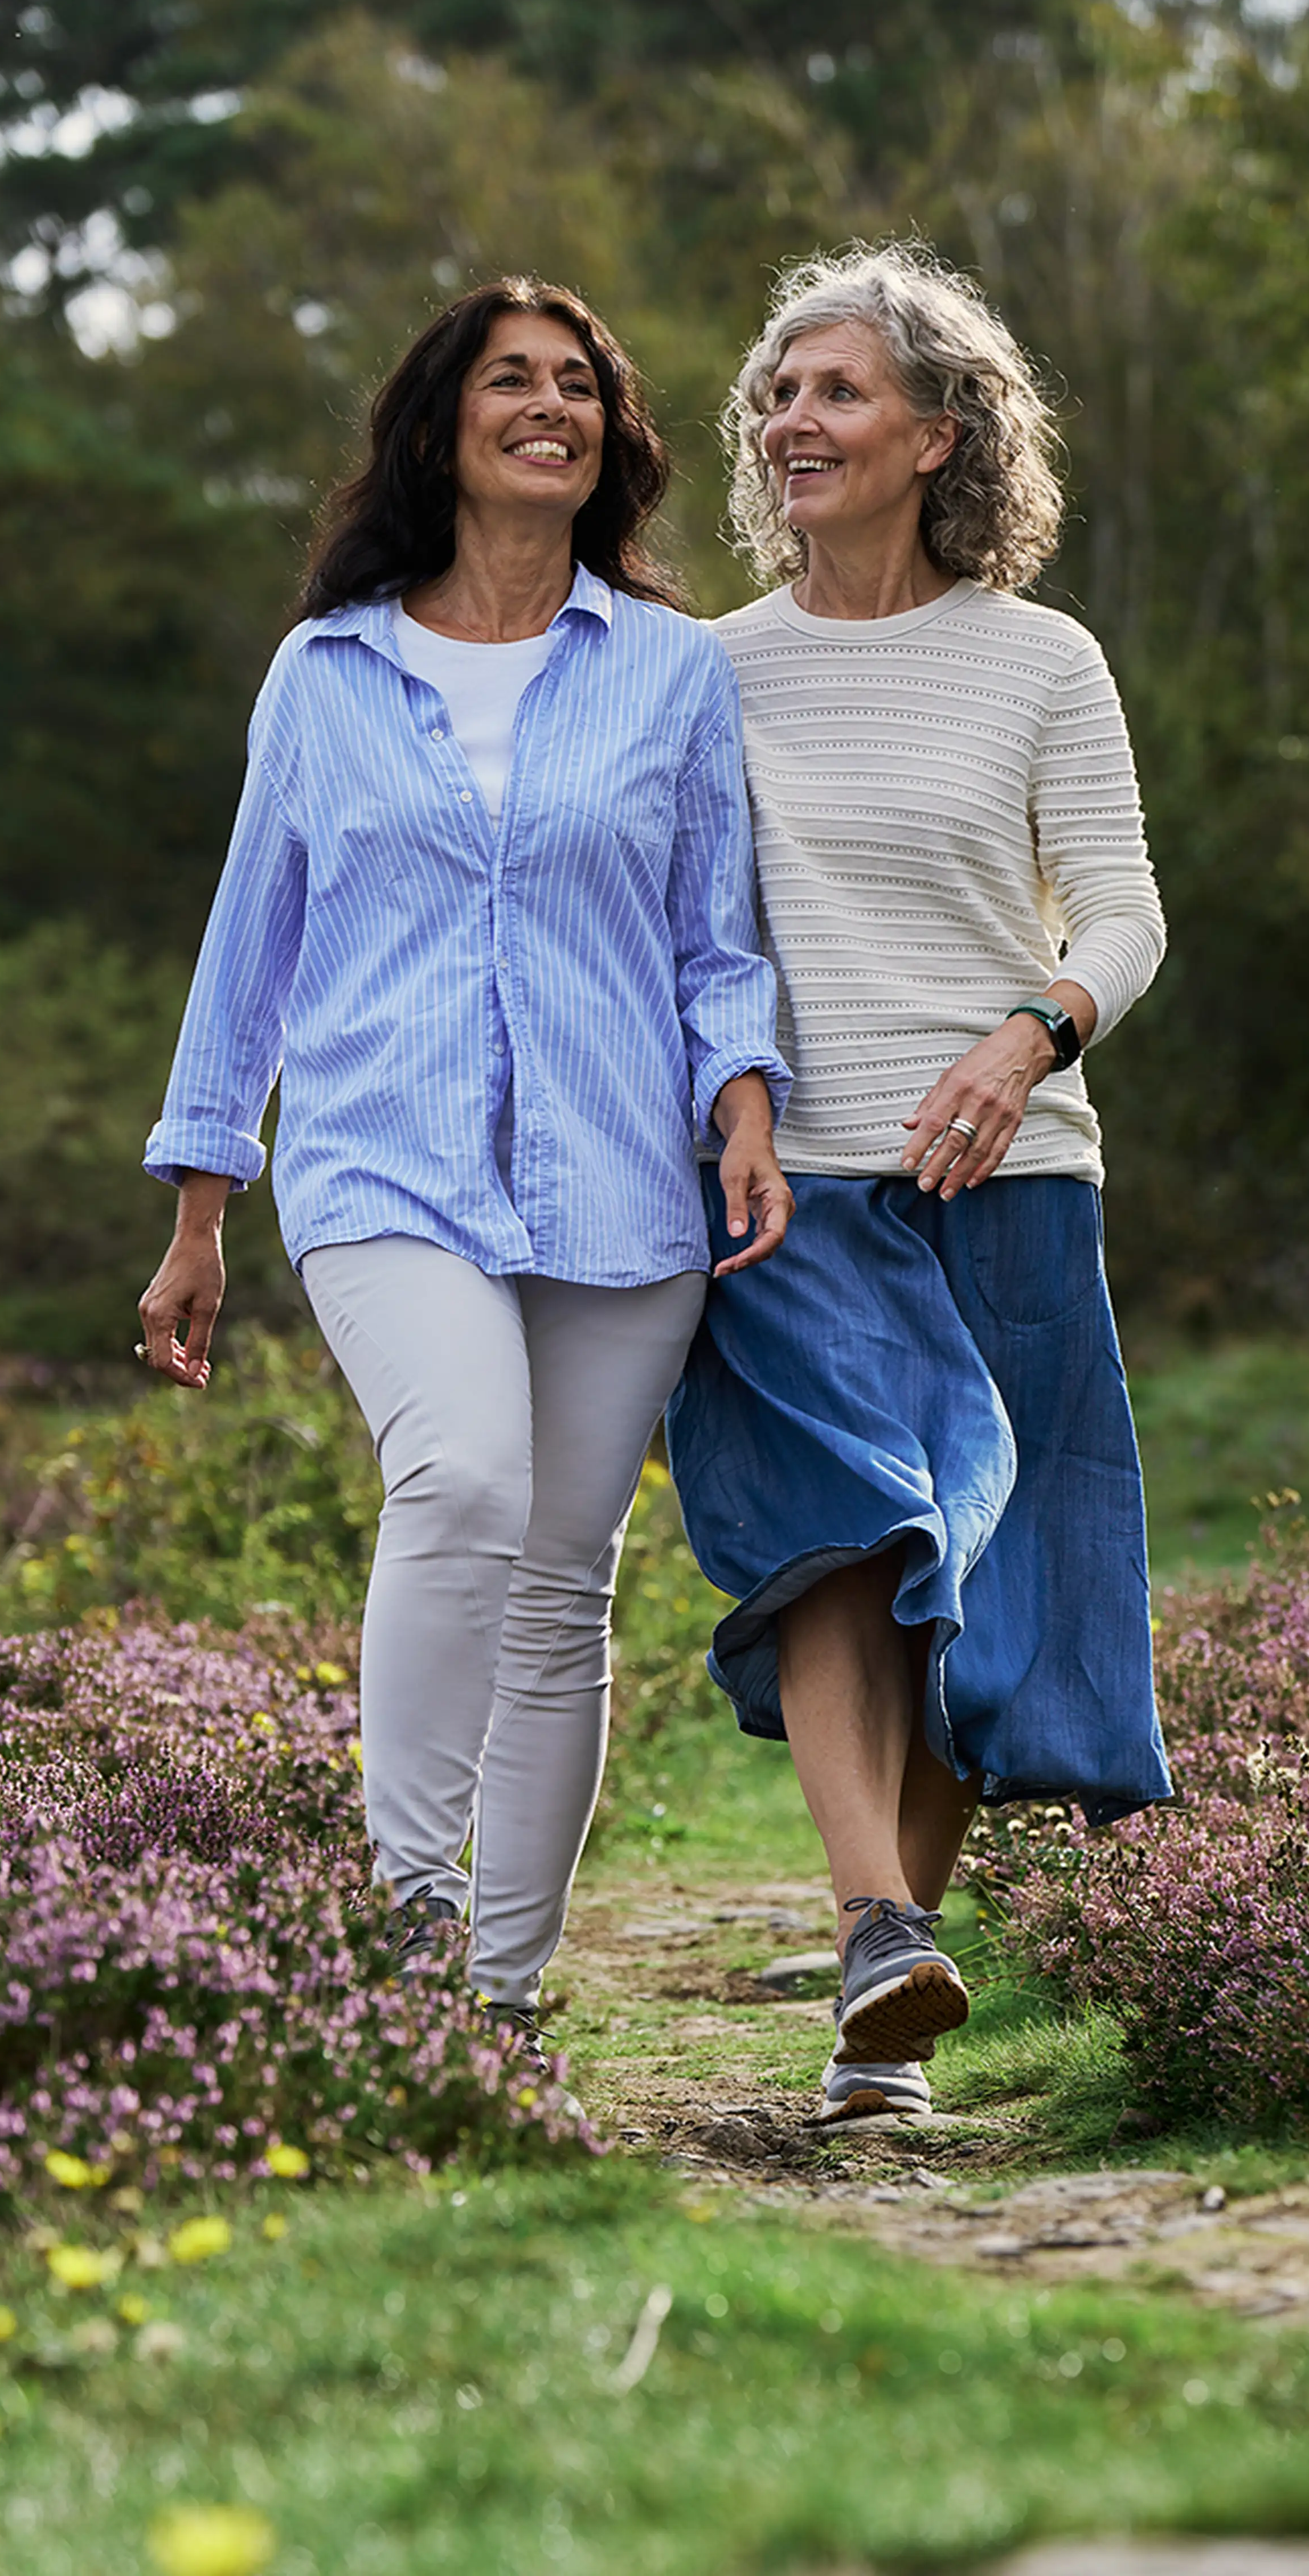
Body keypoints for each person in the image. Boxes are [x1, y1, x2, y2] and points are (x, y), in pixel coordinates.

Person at [137, 279, 791, 2028]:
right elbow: (247, 942)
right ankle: (409, 1923)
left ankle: (493, 2009)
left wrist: (745, 1103)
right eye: (512, 380)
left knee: (562, 1581)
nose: (550, 407)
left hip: (620, 1175)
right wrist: (203, 1202)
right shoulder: (330, 670)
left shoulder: (669, 668)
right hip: (380, 1165)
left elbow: (714, 936)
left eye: (580, 386)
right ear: (440, 427)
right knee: (464, 1485)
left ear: (611, 439)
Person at [666, 244, 1173, 2121]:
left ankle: (892, 2011)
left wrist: (1030, 1032)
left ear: (938, 435)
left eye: (838, 392)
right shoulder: (702, 671)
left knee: (966, 1574)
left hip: (1008, 1174)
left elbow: (1122, 916)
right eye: (777, 396)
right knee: (846, 1529)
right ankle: (874, 1915)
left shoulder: (1043, 660)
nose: (793, 421)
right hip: (782, 1178)